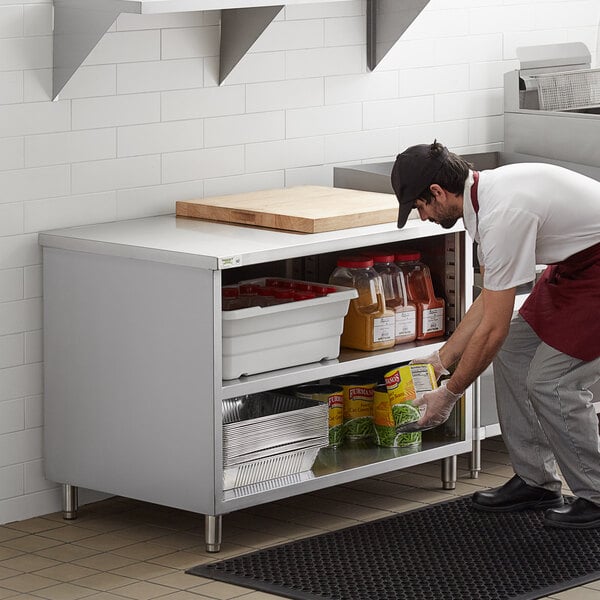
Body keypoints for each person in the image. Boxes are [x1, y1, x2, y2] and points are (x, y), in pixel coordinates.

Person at [391, 140, 600, 528]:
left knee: (551, 382)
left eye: (420, 206)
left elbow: (493, 329)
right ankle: (536, 481)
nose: (423, 217)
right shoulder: (483, 201)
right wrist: (441, 360)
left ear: (437, 192)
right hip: (576, 268)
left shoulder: (502, 212)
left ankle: (596, 495)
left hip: (595, 269)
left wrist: (449, 394)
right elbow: (488, 303)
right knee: (515, 352)